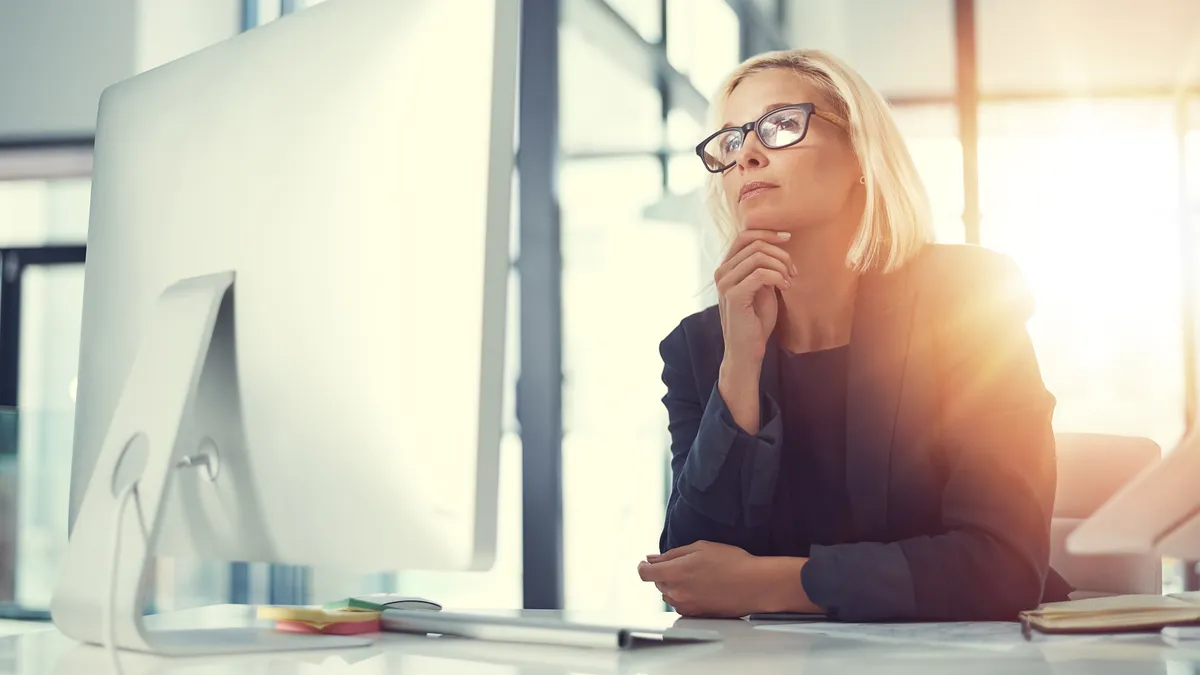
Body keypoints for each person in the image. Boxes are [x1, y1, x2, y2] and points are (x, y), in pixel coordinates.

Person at [637, 48, 1072, 622]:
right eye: (731, 139)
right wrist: (740, 365)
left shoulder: (968, 296)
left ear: (859, 154)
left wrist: (780, 584)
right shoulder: (700, 347)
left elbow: (1003, 564)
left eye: (781, 125)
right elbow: (690, 574)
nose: (748, 154)